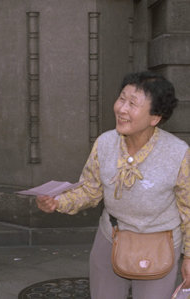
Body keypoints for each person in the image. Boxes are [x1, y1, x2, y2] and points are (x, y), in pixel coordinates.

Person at [36, 71, 190, 299]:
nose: (122, 109)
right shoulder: (105, 143)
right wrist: (57, 202)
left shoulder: (178, 154)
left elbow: (189, 209)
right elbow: (90, 189)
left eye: (133, 104)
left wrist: (189, 256)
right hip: (111, 238)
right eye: (121, 99)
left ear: (155, 117)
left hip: (158, 245)